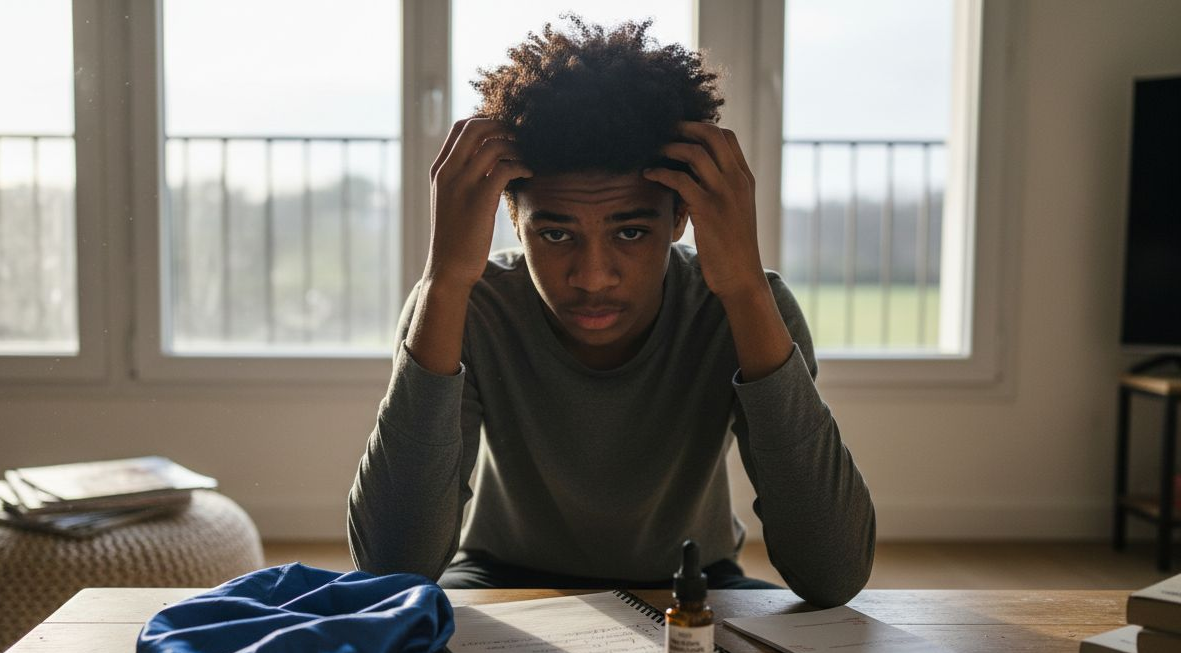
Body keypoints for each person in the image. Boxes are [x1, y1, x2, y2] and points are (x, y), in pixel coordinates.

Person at [347, 16, 875, 607]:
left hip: (696, 582)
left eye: (629, 231)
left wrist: (747, 289)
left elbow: (833, 574)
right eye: (554, 235)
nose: (592, 277)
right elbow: (391, 570)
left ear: (680, 220)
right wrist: (443, 281)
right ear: (513, 221)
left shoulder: (747, 303)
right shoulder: (463, 304)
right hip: (501, 576)